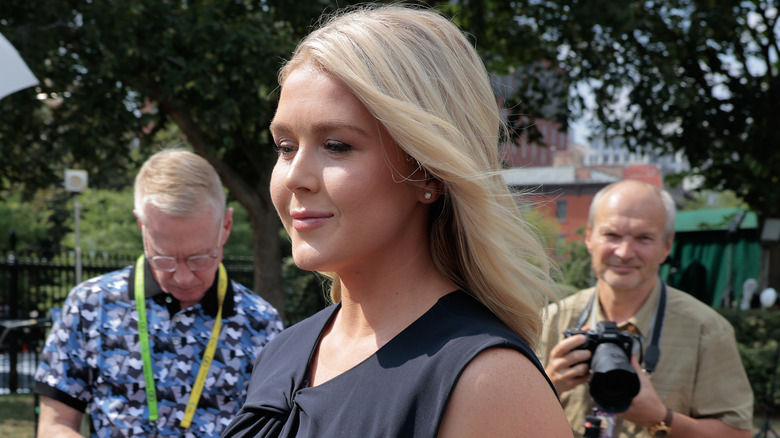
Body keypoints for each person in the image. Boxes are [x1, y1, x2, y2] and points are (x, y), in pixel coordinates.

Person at [221, 5, 572, 438]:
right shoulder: (283, 352)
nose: (294, 177)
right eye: (286, 146)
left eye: (336, 145)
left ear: (427, 171)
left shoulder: (488, 383)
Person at [34, 149, 284, 437]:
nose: (183, 277)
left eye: (200, 258)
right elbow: (55, 424)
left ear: (225, 226)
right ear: (142, 227)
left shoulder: (260, 322)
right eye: (164, 258)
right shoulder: (91, 305)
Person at [540, 179, 754, 437]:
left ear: (666, 247)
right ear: (589, 237)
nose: (625, 252)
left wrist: (660, 419)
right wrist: (548, 386)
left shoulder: (705, 330)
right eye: (612, 235)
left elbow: (738, 434)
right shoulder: (553, 320)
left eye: (644, 237)